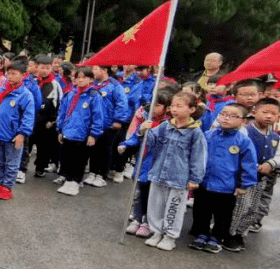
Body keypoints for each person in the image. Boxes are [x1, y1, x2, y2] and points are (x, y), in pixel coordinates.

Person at [141, 90, 207, 251]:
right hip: (159, 173)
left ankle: (169, 236)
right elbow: (151, 142)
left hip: (179, 178)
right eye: (172, 106)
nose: (174, 109)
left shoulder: (195, 132)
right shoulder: (165, 126)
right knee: (156, 204)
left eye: (179, 106)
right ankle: (156, 232)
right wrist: (144, 130)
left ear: (191, 109)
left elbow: (199, 157)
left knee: (174, 208)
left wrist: (194, 179)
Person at [188, 102, 258, 253]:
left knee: (223, 215)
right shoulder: (208, 135)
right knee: (201, 211)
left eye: (233, 116)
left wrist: (243, 185)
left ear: (243, 121)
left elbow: (249, 164)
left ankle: (217, 238)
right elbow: (196, 156)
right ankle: (202, 234)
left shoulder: (243, 140)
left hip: (227, 187)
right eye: (223, 114)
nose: (227, 118)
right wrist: (192, 177)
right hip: (204, 183)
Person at [226, 96, 280, 250]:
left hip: (261, 179)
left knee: (253, 208)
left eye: (273, 113)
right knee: (241, 207)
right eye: (265, 112)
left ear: (278, 116)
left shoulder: (275, 137)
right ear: (254, 112)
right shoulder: (245, 131)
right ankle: (230, 234)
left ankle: (240, 233)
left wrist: (271, 164)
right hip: (243, 178)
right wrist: (254, 166)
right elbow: (236, 152)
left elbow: (278, 156)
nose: (268, 116)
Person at [120, 90, 174, 238]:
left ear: (166, 108)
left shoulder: (168, 124)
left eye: (158, 105)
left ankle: (148, 222)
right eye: (152, 104)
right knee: (140, 192)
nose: (153, 108)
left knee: (153, 195)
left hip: (157, 164)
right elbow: (136, 138)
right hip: (143, 162)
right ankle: (137, 218)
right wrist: (127, 143)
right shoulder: (145, 119)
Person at [0, 57, 35, 200]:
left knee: (11, 163)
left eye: (14, 73)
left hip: (13, 136)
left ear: (23, 75)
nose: (10, 76)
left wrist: (22, 134)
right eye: (9, 73)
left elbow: (28, 117)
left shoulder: (25, 95)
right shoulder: (3, 89)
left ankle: (7, 187)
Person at [54, 67, 104, 196]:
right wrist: (60, 129)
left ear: (90, 79)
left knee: (80, 160)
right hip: (68, 132)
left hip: (82, 135)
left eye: (84, 77)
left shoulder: (94, 96)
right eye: (78, 77)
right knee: (67, 158)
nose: (81, 80)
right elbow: (62, 113)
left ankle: (76, 182)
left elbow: (97, 116)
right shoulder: (70, 95)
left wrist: (93, 134)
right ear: (74, 79)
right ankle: (68, 180)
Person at [85, 65, 129, 188]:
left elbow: (121, 103)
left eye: (95, 69)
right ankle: (92, 172)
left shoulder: (115, 86)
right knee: (93, 148)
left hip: (108, 124)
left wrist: (118, 120)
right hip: (95, 123)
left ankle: (102, 175)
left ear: (104, 71)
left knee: (105, 149)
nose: (92, 71)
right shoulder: (93, 85)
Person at [32, 54, 62, 178]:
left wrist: (53, 121)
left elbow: (59, 105)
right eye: (42, 67)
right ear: (36, 67)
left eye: (47, 68)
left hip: (46, 122)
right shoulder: (33, 82)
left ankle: (40, 167)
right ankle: (20, 168)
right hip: (31, 119)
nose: (44, 70)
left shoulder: (55, 85)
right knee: (27, 144)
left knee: (43, 146)